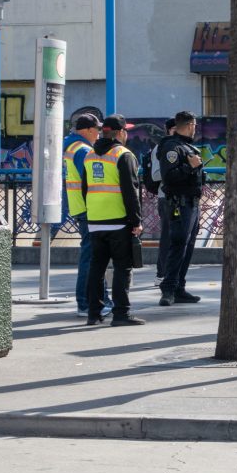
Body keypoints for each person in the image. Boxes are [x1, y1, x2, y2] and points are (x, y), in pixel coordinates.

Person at [81, 114, 146, 326]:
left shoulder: (90, 155)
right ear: (120, 133)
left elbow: (85, 188)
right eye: (126, 130)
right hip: (118, 220)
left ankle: (94, 313)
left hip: (95, 219)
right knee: (122, 267)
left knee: (97, 267)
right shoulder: (123, 155)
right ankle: (121, 313)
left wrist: (94, 211)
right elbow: (131, 191)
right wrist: (136, 221)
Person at [62, 114, 112, 318]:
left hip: (80, 207)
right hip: (89, 208)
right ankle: (86, 302)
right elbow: (92, 178)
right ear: (88, 130)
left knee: (92, 256)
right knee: (92, 258)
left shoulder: (70, 146)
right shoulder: (82, 150)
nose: (99, 133)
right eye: (97, 129)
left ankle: (97, 300)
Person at [157, 111, 205, 306]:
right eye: (194, 126)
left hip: (192, 203)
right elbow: (169, 177)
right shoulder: (172, 147)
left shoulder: (187, 147)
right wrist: (190, 167)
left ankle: (179, 287)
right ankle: (168, 289)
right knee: (178, 246)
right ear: (190, 125)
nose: (195, 129)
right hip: (180, 203)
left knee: (187, 247)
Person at [151, 118, 177, 286]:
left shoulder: (184, 147)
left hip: (183, 197)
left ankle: (173, 276)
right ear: (168, 131)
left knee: (179, 237)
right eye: (176, 129)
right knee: (168, 236)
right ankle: (162, 273)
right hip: (166, 197)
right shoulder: (160, 148)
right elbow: (155, 175)